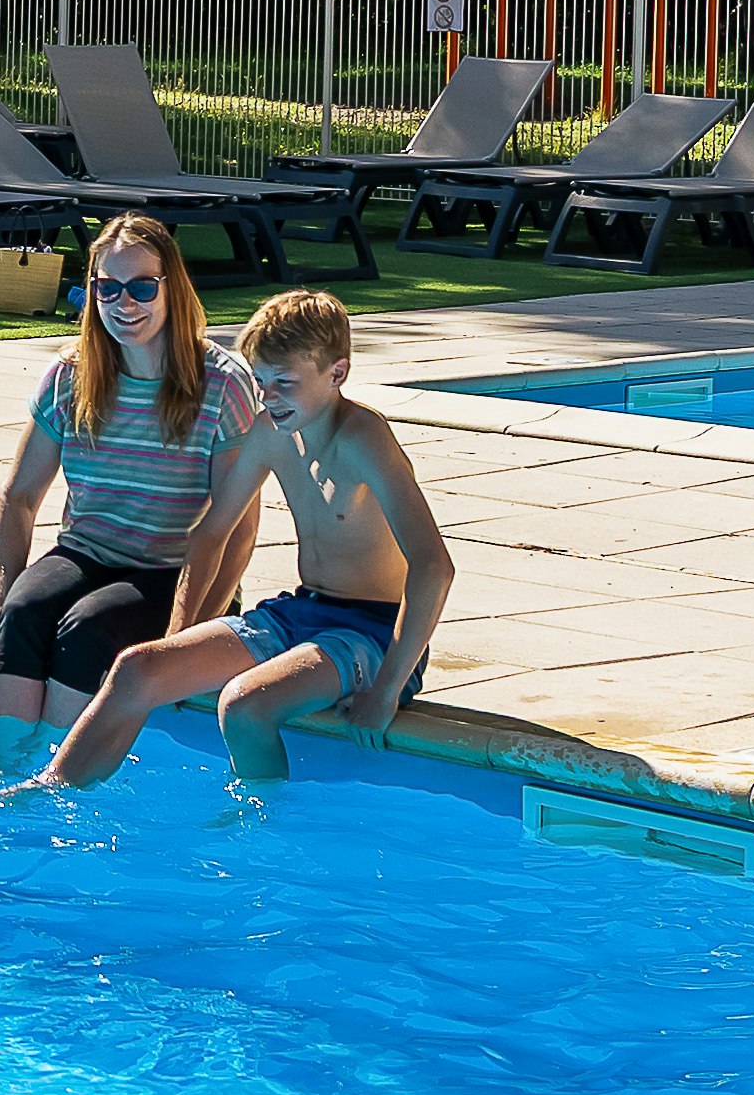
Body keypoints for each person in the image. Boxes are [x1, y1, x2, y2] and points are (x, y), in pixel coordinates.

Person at [44, 287, 453, 787]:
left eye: (284, 382)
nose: (268, 396)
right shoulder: (271, 431)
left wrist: (388, 688)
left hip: (375, 631)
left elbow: (435, 566)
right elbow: (212, 531)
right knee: (136, 669)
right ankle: (42, 798)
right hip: (305, 610)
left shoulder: (364, 439)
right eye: (260, 380)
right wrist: (181, 631)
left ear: (337, 373)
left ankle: (261, 840)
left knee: (245, 706)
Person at [0, 214, 263, 773]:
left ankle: (56, 787)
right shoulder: (70, 376)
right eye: (107, 287)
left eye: (141, 287)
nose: (123, 303)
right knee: (24, 612)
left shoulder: (222, 383)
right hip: (86, 554)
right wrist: (0, 600)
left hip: (175, 574)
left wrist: (190, 639)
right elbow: (19, 498)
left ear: (171, 288)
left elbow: (238, 529)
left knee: (87, 630)